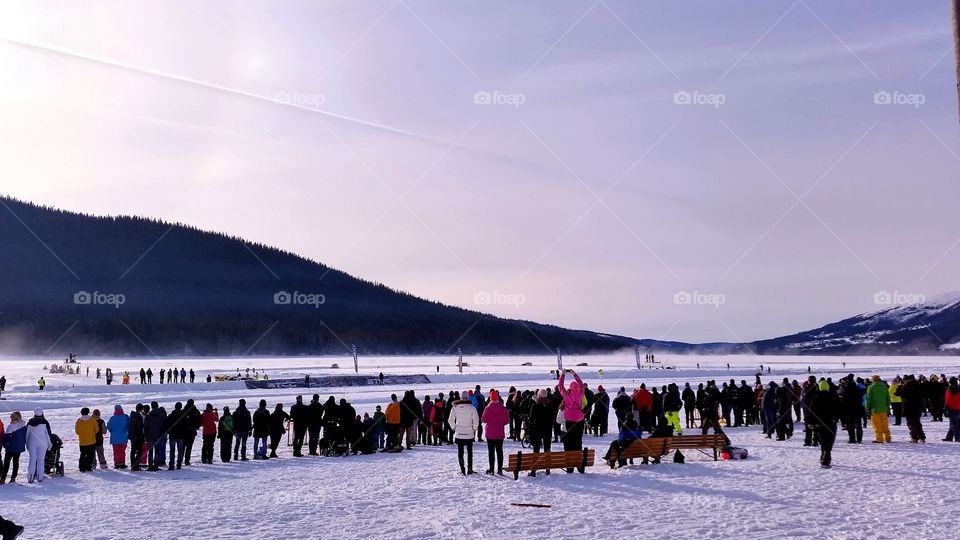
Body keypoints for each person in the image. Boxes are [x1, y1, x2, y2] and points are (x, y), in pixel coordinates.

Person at [557, 369, 586, 473]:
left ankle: (570, 467)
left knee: (569, 443)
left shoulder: (566, 395)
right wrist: (574, 374)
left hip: (569, 419)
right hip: (580, 419)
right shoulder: (581, 393)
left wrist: (562, 375)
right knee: (578, 442)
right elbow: (582, 384)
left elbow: (560, 386)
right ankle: (579, 465)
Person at [808, 380, 841, 468]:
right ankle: (826, 457)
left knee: (823, 441)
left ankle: (824, 456)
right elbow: (840, 409)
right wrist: (840, 419)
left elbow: (811, 411)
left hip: (819, 423)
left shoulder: (815, 397)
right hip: (831, 422)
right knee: (830, 441)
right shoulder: (834, 397)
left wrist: (810, 422)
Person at [449, 390, 479, 475]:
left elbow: (450, 420)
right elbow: (476, 420)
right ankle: (469, 469)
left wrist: (454, 428)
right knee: (470, 452)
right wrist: (474, 429)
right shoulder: (472, 407)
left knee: (460, 452)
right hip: (469, 433)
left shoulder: (455, 407)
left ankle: (462, 470)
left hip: (459, 433)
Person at [481, 389, 509, 475]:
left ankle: (492, 469)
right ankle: (500, 469)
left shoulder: (488, 408)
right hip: (500, 433)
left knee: (491, 452)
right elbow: (507, 420)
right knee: (499, 451)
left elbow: (484, 420)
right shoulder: (503, 408)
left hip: (490, 433)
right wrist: (500, 424)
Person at [896, 375, 926, 443]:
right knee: (917, 422)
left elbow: (898, 393)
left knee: (911, 423)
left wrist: (899, 386)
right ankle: (917, 437)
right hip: (918, 407)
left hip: (909, 407)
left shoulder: (907, 386)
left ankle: (918, 437)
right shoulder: (918, 386)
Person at [25, 408, 51, 483]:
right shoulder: (45, 422)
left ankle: (30, 477)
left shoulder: (30, 422)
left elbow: (27, 434)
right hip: (43, 443)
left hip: (31, 443)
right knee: (40, 460)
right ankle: (40, 477)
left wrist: (27, 443)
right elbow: (48, 434)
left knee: (32, 460)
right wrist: (49, 443)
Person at [865, 375, 892, 443]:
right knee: (885, 424)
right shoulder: (884, 386)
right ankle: (887, 438)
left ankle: (879, 439)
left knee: (877, 425)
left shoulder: (871, 387)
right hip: (884, 409)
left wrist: (867, 407)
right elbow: (888, 397)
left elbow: (868, 399)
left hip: (875, 409)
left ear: (873, 380)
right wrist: (888, 406)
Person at [1, 412, 26, 483]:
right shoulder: (23, 424)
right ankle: (13, 478)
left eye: (11, 416)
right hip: (19, 447)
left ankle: (3, 478)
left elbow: (7, 437)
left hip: (11, 447)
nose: (10, 417)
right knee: (16, 462)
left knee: (6, 462)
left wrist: (5, 445)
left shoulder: (11, 426)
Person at [144, 402, 166, 471]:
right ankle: (156, 465)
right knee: (157, 451)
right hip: (158, 435)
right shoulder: (161, 415)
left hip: (150, 436)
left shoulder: (148, 416)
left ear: (152, 407)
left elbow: (145, 427)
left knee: (150, 451)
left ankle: (150, 465)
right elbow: (163, 426)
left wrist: (146, 435)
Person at [75, 407, 99, 472]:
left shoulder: (78, 421)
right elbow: (96, 430)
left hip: (82, 441)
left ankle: (82, 468)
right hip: (91, 441)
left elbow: (77, 431)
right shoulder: (92, 420)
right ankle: (88, 467)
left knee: (82, 455)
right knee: (90, 455)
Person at [165, 402, 187, 470]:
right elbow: (185, 426)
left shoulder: (171, 415)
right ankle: (179, 464)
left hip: (172, 435)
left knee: (172, 450)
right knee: (180, 450)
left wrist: (168, 432)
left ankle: (171, 465)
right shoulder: (183, 415)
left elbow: (167, 424)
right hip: (180, 435)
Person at [128, 404, 145, 471]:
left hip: (132, 436)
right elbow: (140, 428)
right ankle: (136, 465)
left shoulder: (132, 415)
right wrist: (141, 437)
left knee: (133, 450)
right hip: (137, 436)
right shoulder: (139, 416)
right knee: (139, 451)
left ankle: (133, 464)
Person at [183, 399, 201, 466]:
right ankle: (187, 461)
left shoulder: (184, 411)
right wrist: (196, 427)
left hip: (184, 432)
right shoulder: (196, 411)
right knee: (189, 447)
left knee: (182, 447)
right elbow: (199, 421)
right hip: (192, 432)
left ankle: (180, 460)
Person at [944, 377, 960, 442]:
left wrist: (945, 408)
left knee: (954, 424)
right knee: (953, 423)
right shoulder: (959, 389)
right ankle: (949, 437)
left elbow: (948, 400)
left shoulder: (949, 390)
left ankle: (958, 438)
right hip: (958, 408)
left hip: (951, 408)